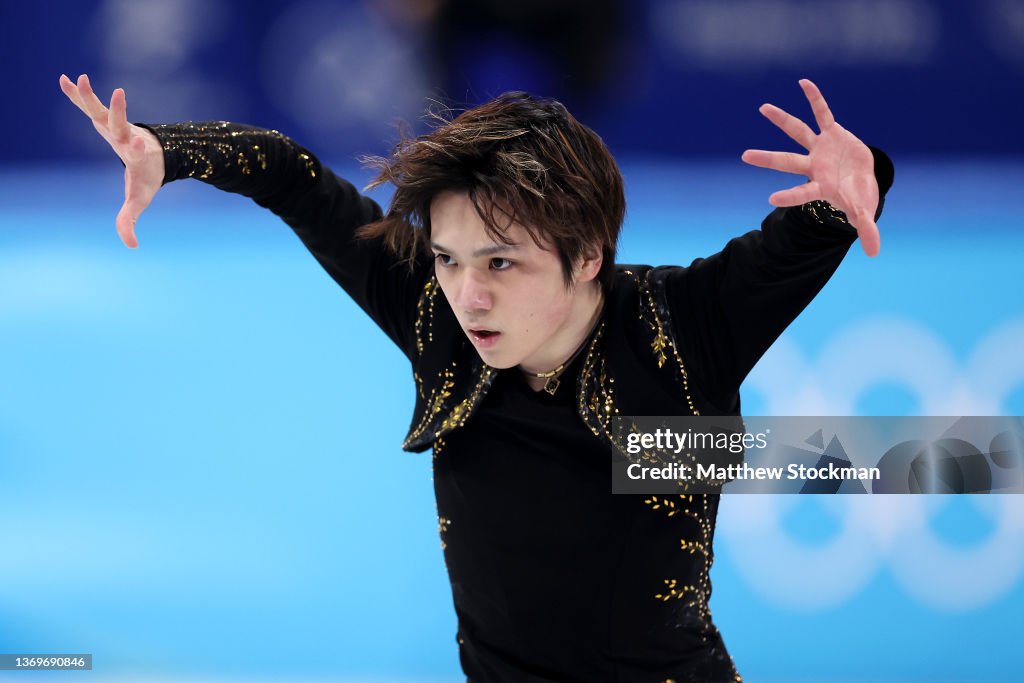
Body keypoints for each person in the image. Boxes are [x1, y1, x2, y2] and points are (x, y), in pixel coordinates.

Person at [59, 73, 893, 682]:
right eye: (450, 259)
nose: (469, 294)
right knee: (683, 449)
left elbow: (828, 215)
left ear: (588, 257)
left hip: (659, 499)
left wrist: (864, 177)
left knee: (941, 456)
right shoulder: (435, 315)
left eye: (501, 262)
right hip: (644, 463)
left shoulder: (683, 321)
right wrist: (170, 150)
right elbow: (292, 176)